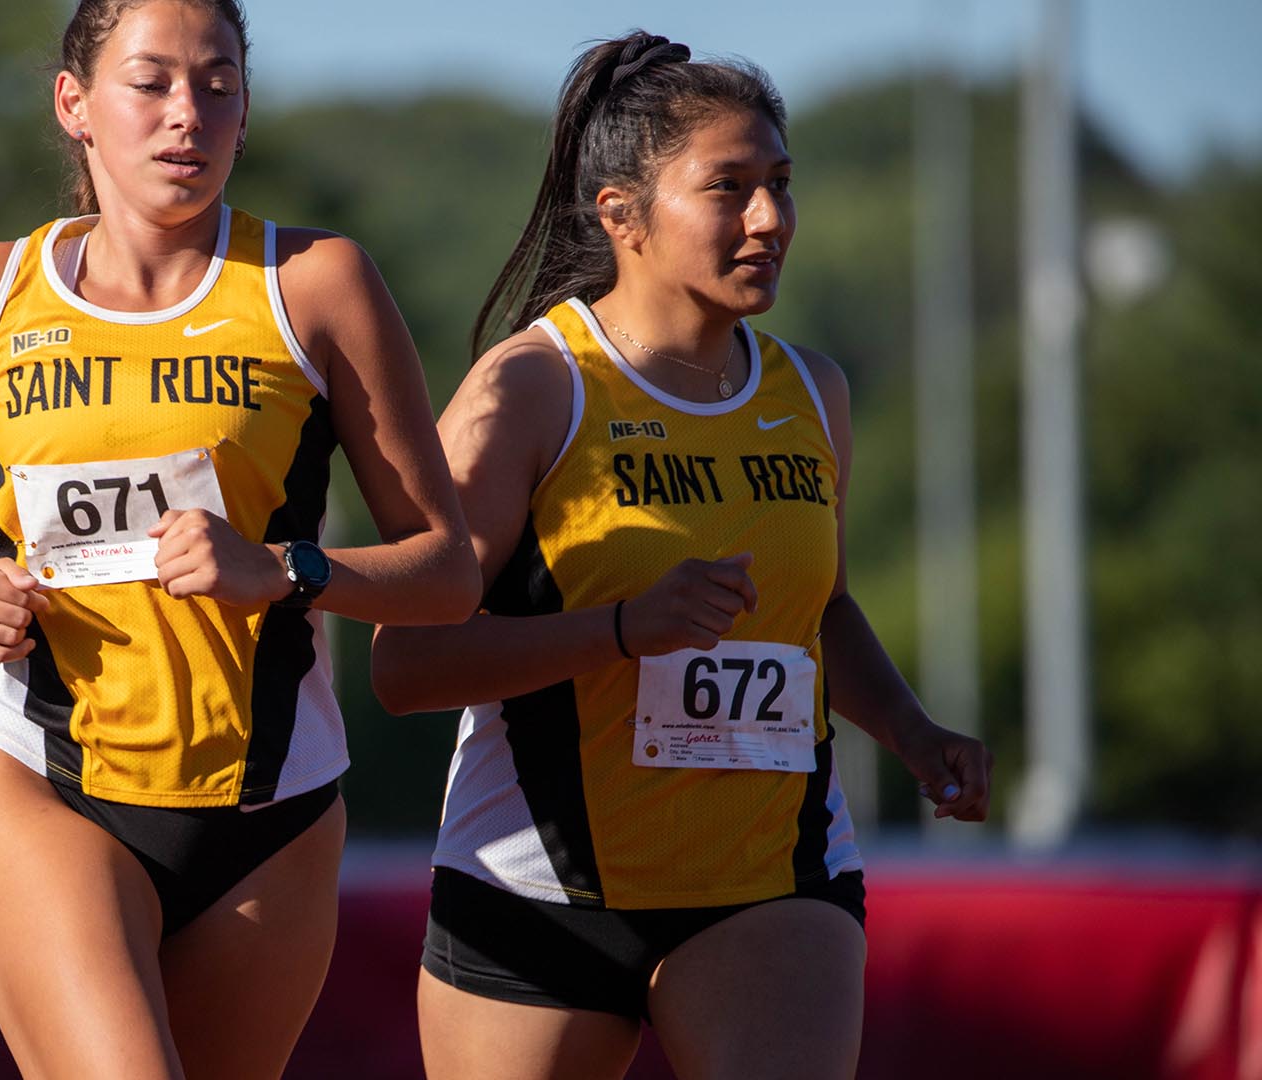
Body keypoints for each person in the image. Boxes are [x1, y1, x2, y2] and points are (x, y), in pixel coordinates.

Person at [0, 1, 477, 1076]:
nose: (188, 115)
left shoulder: (314, 284)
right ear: (75, 105)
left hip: (267, 816)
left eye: (219, 84)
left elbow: (448, 573)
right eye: (152, 83)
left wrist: (284, 569)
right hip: (45, 782)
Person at [371, 32, 994, 1080]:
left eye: (782, 185)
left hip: (771, 876)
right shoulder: (533, 388)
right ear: (623, 216)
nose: (769, 219)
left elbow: (822, 609)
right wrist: (621, 631)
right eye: (730, 188)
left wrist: (911, 730)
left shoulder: (813, 392)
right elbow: (406, 666)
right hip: (540, 889)